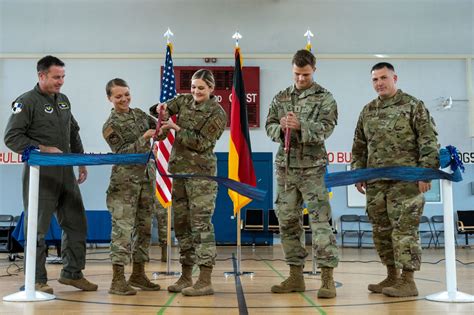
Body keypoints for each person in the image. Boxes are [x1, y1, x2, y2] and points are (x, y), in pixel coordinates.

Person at [4, 55, 98, 294]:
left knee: (77, 223)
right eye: (57, 77)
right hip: (41, 175)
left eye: (63, 77)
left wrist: (81, 161)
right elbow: (12, 138)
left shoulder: (64, 101)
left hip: (66, 172)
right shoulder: (25, 102)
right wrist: (43, 148)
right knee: (36, 229)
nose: (61, 82)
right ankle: (36, 280)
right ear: (41, 75)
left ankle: (72, 273)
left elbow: (73, 132)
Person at [351, 62, 439, 297]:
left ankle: (408, 281)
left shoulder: (413, 105)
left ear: (394, 78)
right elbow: (359, 145)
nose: (379, 83)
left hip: (406, 181)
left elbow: (428, 140)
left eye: (383, 78)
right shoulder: (367, 110)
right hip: (376, 181)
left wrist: (426, 172)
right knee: (381, 231)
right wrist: (358, 173)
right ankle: (392, 276)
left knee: (404, 230)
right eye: (375, 79)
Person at [265, 49, 339, 298]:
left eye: (305, 74)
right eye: (297, 74)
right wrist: (280, 128)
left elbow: (327, 128)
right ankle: (295, 276)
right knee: (287, 222)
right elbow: (269, 125)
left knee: (320, 224)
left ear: (314, 70)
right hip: (285, 169)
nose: (300, 79)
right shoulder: (281, 97)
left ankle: (327, 278)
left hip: (312, 169)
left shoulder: (325, 97)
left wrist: (302, 126)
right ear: (292, 70)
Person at [150, 69, 226, 296]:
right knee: (182, 226)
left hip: (202, 177)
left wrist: (176, 128)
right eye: (193, 87)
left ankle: (204, 280)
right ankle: (185, 276)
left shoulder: (217, 113)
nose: (196, 92)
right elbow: (162, 109)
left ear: (211, 89)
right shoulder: (184, 100)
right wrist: (159, 110)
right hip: (179, 174)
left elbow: (202, 143)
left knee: (201, 227)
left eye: (201, 88)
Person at [102, 78, 161, 295]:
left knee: (144, 228)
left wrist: (161, 120)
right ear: (109, 98)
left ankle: (138, 274)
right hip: (124, 184)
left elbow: (158, 129)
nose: (124, 99)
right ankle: (117, 280)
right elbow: (123, 153)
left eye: (126, 94)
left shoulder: (139, 114)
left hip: (146, 179)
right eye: (118, 96)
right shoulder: (110, 126)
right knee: (123, 231)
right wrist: (145, 138)